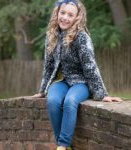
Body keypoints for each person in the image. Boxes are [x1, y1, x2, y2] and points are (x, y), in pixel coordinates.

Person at [31, 0, 123, 150]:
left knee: (70, 101)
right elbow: (48, 66)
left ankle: (62, 145)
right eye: (63, 13)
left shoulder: (81, 37)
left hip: (81, 82)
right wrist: (43, 90)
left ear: (77, 18)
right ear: (57, 13)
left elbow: (90, 66)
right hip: (61, 81)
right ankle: (66, 145)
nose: (65, 17)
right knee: (52, 101)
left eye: (70, 15)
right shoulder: (51, 35)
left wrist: (102, 94)